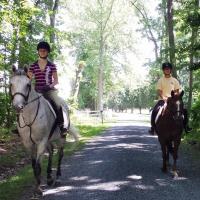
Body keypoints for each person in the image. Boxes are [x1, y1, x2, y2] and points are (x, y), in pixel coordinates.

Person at [13, 41, 68, 136]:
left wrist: (49, 86)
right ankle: (19, 126)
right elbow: (28, 79)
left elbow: (56, 81)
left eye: (44, 50)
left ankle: (61, 126)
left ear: (47, 52)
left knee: (58, 104)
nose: (42, 52)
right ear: (38, 52)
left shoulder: (52, 65)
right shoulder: (33, 65)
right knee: (22, 103)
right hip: (37, 90)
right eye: (41, 50)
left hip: (49, 91)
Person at [149, 62, 192, 135]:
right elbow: (159, 91)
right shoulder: (160, 80)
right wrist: (164, 98)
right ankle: (153, 128)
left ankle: (185, 126)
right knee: (155, 110)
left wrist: (174, 98)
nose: (167, 70)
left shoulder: (175, 80)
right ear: (163, 70)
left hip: (173, 100)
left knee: (184, 110)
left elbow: (177, 92)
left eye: (168, 69)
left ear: (170, 70)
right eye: (165, 69)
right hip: (162, 100)